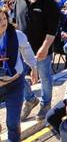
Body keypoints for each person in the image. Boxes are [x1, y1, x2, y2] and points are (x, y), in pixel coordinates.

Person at [19, 0, 61, 121]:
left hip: (42, 49)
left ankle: (46, 103)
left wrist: (44, 48)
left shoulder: (50, 4)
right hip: (22, 50)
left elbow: (52, 31)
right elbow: (16, 25)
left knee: (44, 78)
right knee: (17, 75)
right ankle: (30, 99)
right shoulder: (20, 1)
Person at [0, 8, 37, 142]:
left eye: (4, 18)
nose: (3, 22)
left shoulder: (17, 35)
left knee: (12, 123)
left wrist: (34, 68)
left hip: (14, 84)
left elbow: (27, 53)